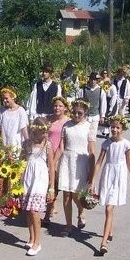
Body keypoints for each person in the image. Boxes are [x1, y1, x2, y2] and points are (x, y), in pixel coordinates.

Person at [88, 115, 130, 255]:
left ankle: (103, 242)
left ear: (123, 129)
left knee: (109, 208)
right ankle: (109, 230)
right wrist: (93, 181)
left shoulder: (126, 144)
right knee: (108, 207)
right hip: (108, 175)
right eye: (113, 127)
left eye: (118, 128)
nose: (114, 130)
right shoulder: (106, 143)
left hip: (118, 177)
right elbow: (98, 163)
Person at [53, 99, 95, 235]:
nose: (76, 116)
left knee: (77, 194)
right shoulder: (67, 125)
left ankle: (81, 211)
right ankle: (69, 225)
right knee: (66, 195)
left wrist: (92, 172)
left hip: (81, 162)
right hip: (67, 161)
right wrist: (53, 162)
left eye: (80, 113)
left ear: (85, 113)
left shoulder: (89, 127)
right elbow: (61, 147)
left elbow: (91, 151)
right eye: (74, 113)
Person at [20, 117, 56, 256]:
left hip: (40, 179)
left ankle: (37, 242)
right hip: (28, 177)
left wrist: (51, 187)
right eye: (41, 132)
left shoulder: (47, 145)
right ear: (34, 131)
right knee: (28, 210)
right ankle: (31, 237)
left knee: (35, 211)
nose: (44, 135)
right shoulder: (26, 144)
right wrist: (18, 179)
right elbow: (22, 161)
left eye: (45, 132)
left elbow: (51, 166)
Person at [42, 96, 70, 224]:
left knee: (54, 184)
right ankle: (48, 213)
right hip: (46, 153)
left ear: (65, 108)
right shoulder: (47, 119)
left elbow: (64, 143)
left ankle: (48, 213)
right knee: (47, 183)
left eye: (60, 106)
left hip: (59, 156)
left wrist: (54, 159)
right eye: (55, 106)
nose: (57, 108)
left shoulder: (68, 121)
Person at [0, 87, 29, 155]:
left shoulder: (20, 111)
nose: (4, 100)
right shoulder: (1, 110)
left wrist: (28, 143)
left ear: (13, 97)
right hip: (4, 144)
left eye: (6, 98)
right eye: (3, 98)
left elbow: (24, 129)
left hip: (15, 145)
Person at [77, 72, 107, 141]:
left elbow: (103, 103)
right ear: (89, 79)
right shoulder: (83, 90)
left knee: (92, 136)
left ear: (97, 81)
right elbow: (79, 101)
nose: (93, 81)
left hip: (95, 116)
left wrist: (102, 115)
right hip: (85, 116)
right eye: (92, 79)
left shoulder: (100, 90)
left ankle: (91, 150)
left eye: (95, 80)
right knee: (83, 135)